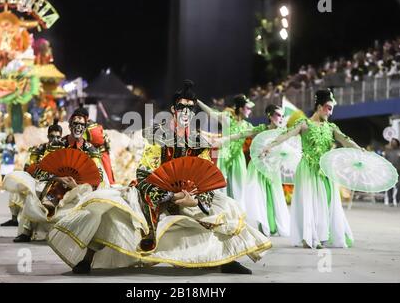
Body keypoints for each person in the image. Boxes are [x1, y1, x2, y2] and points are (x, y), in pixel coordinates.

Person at [47, 80, 271, 275]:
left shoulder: (198, 141)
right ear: (174, 110)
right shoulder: (158, 136)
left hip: (188, 197)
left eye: (190, 109)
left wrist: (195, 199)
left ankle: (227, 259)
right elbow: (144, 173)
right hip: (154, 194)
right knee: (110, 207)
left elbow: (205, 176)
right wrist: (170, 194)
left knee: (226, 207)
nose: (186, 113)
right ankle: (87, 259)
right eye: (181, 108)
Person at [261, 89, 361, 249]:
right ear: (319, 106)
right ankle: (310, 237)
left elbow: (345, 140)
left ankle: (324, 235)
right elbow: (286, 135)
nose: (331, 111)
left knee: (328, 201)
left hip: (325, 169)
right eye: (328, 107)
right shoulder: (304, 124)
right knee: (310, 202)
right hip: (307, 168)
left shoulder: (331, 127)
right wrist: (269, 145)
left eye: (332, 108)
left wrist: (360, 150)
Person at [6, 107, 108, 243]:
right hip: (56, 185)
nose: (78, 128)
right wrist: (59, 178)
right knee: (33, 193)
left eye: (82, 125)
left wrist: (76, 185)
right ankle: (26, 231)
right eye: (76, 124)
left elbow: (97, 176)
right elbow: (41, 170)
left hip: (80, 188)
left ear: (85, 128)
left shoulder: (91, 150)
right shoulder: (57, 145)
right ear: (70, 126)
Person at [0, 119, 63, 227]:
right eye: (52, 136)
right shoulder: (40, 149)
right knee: (17, 188)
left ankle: (29, 228)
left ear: (61, 137)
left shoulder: (64, 150)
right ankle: (14, 219)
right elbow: (29, 166)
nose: (55, 139)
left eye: (58, 137)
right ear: (48, 136)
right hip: (38, 180)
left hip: (56, 183)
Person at [243, 105, 290, 237]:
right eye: (277, 115)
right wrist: (225, 139)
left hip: (273, 169)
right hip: (258, 167)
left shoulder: (283, 132)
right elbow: (244, 134)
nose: (280, 118)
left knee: (274, 195)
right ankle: (263, 225)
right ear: (270, 116)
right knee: (260, 195)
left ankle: (273, 225)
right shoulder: (261, 130)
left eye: (282, 115)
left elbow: (287, 150)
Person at [197, 94, 254, 205]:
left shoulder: (247, 125)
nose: (250, 111)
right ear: (241, 108)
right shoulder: (228, 119)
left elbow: (260, 134)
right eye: (248, 108)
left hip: (238, 157)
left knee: (239, 186)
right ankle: (220, 210)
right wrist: (198, 102)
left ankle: (238, 213)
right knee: (220, 185)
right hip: (224, 155)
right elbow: (211, 112)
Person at [384, 138, 400, 206]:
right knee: (390, 186)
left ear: (397, 143)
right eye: (392, 142)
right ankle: (390, 201)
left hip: (399, 172)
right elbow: (385, 161)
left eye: (394, 142)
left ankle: (397, 199)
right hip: (390, 172)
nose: (393, 143)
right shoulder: (388, 152)